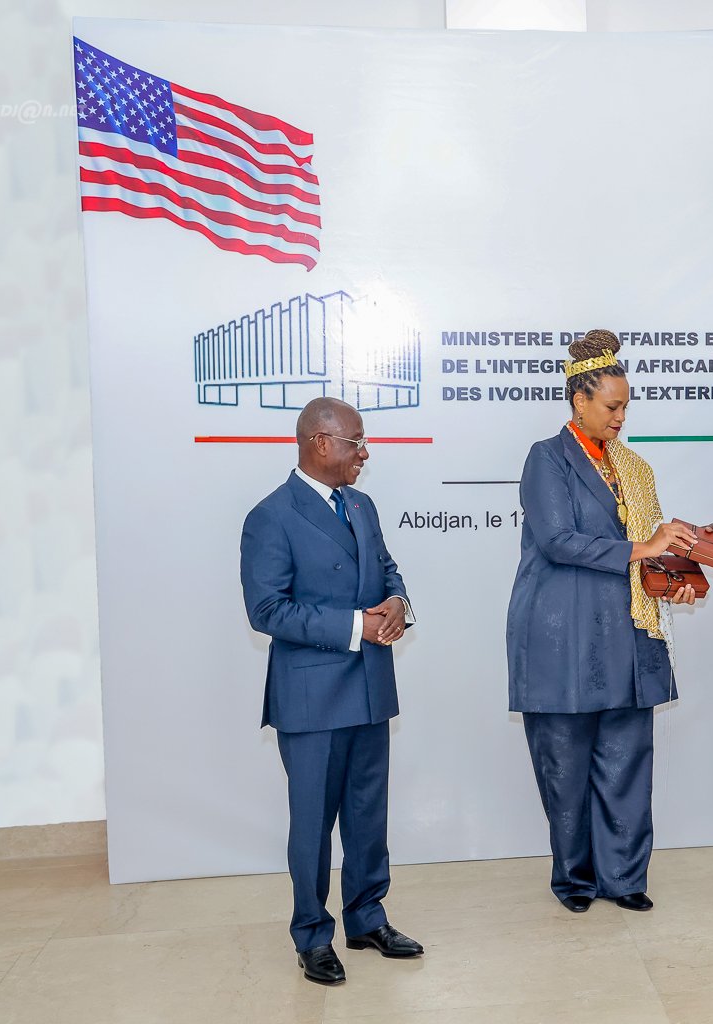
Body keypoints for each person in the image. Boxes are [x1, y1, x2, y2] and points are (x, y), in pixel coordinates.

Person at [506, 330, 697, 914]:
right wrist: (644, 548)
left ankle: (625, 878)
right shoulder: (547, 457)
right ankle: (576, 880)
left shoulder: (632, 467)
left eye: (625, 407)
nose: (620, 417)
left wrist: (675, 577)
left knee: (627, 758)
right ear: (579, 400)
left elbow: (651, 550)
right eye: (612, 407)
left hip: (628, 632)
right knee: (564, 764)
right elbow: (559, 541)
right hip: (562, 633)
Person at [240, 397, 421, 985]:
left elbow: (388, 569)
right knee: (313, 824)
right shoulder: (271, 516)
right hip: (311, 699)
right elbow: (267, 610)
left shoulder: (362, 506)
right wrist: (354, 627)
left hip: (369, 687)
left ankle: (367, 918)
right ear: (320, 443)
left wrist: (398, 604)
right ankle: (312, 935)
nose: (364, 453)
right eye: (356, 442)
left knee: (368, 814)